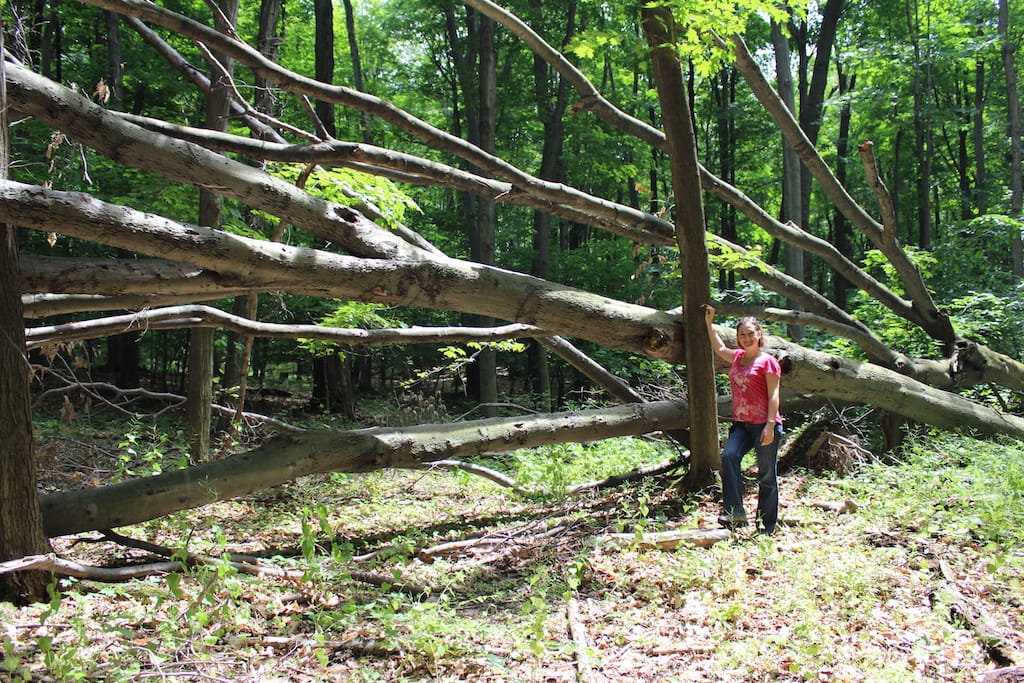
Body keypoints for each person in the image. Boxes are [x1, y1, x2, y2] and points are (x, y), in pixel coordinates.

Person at [703, 304, 783, 535]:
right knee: (729, 456)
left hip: (764, 424)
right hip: (741, 425)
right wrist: (709, 323)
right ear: (737, 338)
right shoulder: (737, 357)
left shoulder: (767, 361)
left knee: (766, 475)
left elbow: (774, 394)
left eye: (750, 333)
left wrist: (770, 425)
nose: (747, 338)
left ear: (759, 334)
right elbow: (719, 348)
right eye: (742, 335)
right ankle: (735, 511)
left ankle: (766, 525)